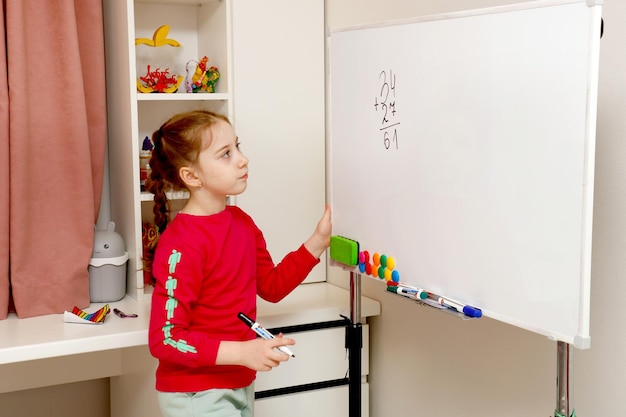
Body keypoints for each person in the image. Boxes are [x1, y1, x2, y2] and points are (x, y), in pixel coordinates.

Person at [144, 110, 332, 417]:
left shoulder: (242, 223)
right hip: (195, 394)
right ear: (191, 176)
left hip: (238, 383)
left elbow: (271, 286)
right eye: (225, 154)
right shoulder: (182, 244)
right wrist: (244, 352)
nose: (242, 159)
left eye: (238, 147)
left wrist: (318, 242)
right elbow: (166, 339)